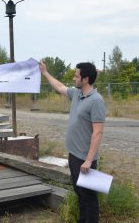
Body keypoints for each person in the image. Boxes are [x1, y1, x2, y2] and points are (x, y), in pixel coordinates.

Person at [39, 61, 106, 223]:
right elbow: (60, 87)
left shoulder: (96, 100)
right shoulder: (77, 94)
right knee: (79, 192)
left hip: (85, 158)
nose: (74, 78)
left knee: (89, 195)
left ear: (85, 79)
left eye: (76, 76)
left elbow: (98, 132)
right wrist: (45, 73)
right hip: (74, 154)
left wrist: (89, 160)